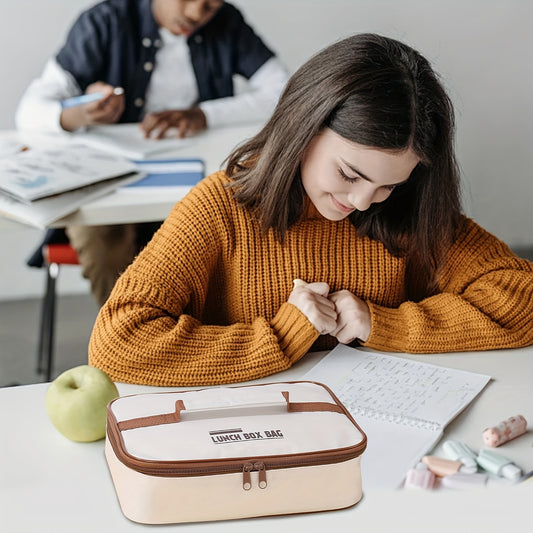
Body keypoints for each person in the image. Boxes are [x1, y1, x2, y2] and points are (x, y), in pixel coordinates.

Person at [88, 33, 533, 387]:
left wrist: (385, 324)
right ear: (304, 128)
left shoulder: (406, 208)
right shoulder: (221, 208)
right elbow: (118, 341)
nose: (362, 202)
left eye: (388, 185)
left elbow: (520, 296)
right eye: (349, 174)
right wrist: (282, 334)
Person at [17, 0, 288, 305]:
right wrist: (81, 115)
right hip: (111, 191)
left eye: (211, 6)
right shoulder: (105, 21)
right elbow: (29, 111)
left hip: (187, 184)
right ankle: (127, 334)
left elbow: (283, 89)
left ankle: (191, 338)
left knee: (232, 230)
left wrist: (205, 114)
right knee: (102, 240)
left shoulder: (226, 22)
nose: (197, 14)